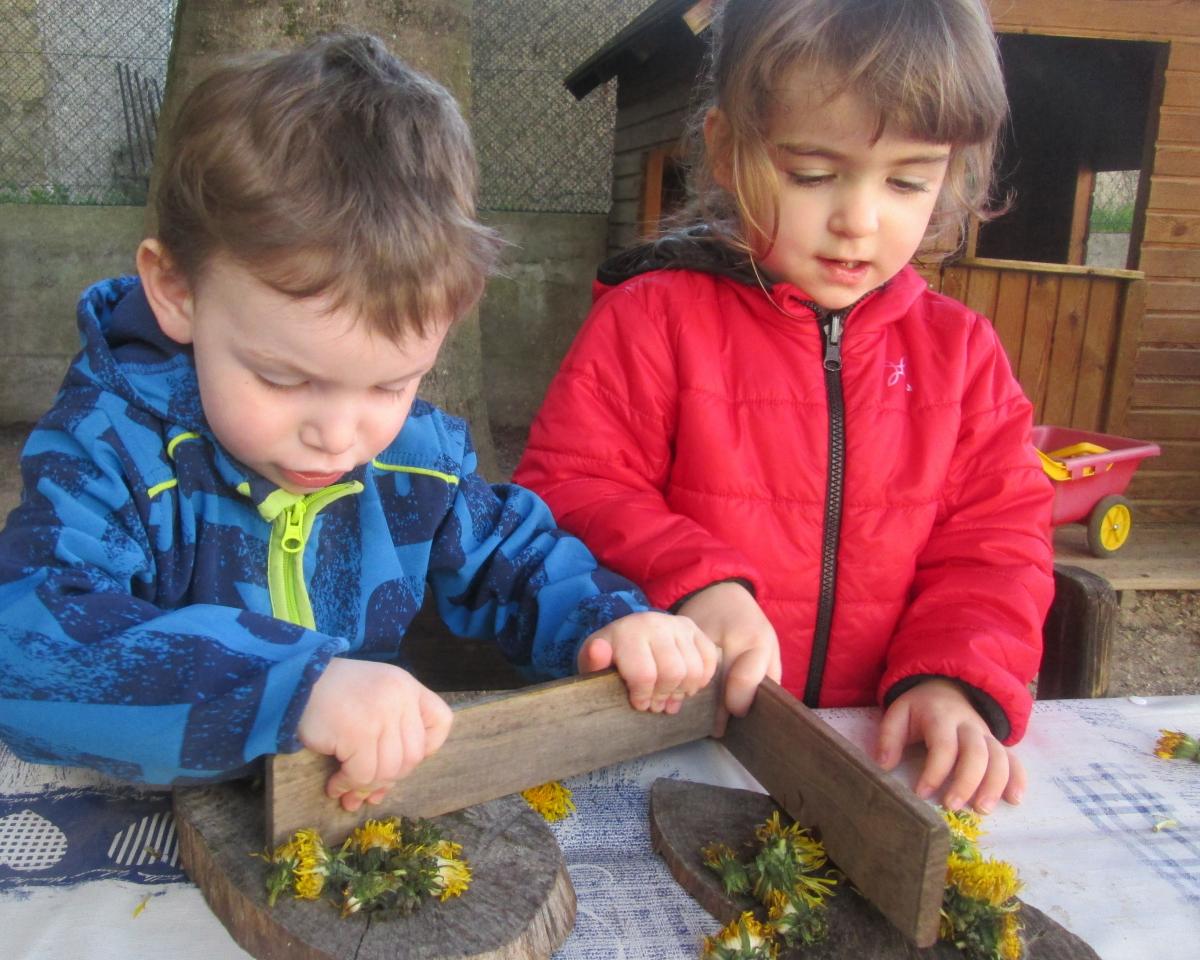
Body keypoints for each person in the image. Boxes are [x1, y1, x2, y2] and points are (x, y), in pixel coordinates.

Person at [0, 33, 719, 812]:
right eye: (283, 379)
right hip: (150, 821)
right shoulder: (112, 454)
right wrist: (291, 687)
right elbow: (25, 648)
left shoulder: (417, 463)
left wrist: (613, 625)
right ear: (178, 292)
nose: (339, 437)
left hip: (335, 824)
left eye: (390, 384)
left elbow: (518, 562)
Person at [515, 0, 1055, 814]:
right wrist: (697, 585)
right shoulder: (653, 318)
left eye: (909, 181)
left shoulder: (963, 356)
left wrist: (953, 679)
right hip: (673, 741)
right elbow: (567, 490)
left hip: (875, 753)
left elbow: (999, 544)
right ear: (728, 149)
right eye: (812, 174)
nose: (858, 221)